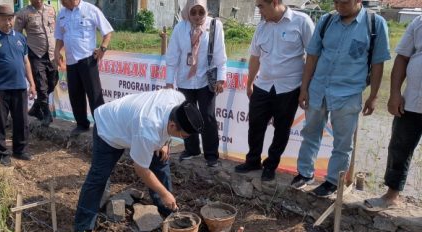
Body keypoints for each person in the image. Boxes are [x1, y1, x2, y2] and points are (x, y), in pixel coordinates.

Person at [72, 89, 203, 232]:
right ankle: (81, 230)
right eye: (183, 136)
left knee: (161, 162)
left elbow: (165, 126)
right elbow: (141, 169)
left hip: (134, 125)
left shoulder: (178, 99)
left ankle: (168, 212)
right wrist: (165, 193)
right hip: (109, 129)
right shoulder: (147, 130)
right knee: (98, 179)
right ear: (172, 125)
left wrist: (165, 143)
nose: (184, 139)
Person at [291, 0, 390, 197]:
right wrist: (304, 88)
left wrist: (373, 97)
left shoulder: (375, 24)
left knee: (343, 142)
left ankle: (332, 181)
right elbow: (312, 56)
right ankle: (304, 173)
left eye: (344, 3)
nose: (338, 6)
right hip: (319, 88)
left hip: (349, 93)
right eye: (336, 2)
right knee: (310, 132)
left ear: (358, 1)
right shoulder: (327, 21)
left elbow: (378, 64)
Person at [234, 0, 314, 181]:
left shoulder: (301, 21)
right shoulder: (261, 27)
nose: (259, 10)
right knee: (255, 125)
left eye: (261, 6)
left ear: (275, 2)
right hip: (263, 85)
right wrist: (250, 82)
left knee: (282, 128)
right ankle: (253, 160)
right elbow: (255, 57)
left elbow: (312, 56)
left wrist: (305, 87)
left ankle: (271, 165)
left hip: (289, 87)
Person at [364, 16, 422, 211]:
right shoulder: (419, 21)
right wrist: (395, 93)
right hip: (413, 101)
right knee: (399, 148)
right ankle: (391, 196)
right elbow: (403, 57)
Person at [165, 0, 226, 167]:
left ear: (206, 11)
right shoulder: (180, 28)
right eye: (194, 12)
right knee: (186, 115)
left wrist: (221, 78)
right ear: (188, 12)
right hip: (185, 79)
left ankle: (211, 154)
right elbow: (172, 58)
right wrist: (169, 82)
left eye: (201, 12)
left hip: (206, 80)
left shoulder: (215, 26)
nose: (198, 16)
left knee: (207, 116)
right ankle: (191, 149)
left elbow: (220, 55)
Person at [0, 4, 37, 166]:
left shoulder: (20, 38)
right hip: (0, 88)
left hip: (20, 86)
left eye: (10, 19)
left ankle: (20, 150)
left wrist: (32, 84)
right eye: (4, 19)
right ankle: (1, 153)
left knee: (22, 120)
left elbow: (26, 62)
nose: (8, 23)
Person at [54, 0, 113, 136]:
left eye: (63, 0)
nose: (62, 3)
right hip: (71, 60)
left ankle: (102, 125)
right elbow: (59, 35)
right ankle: (81, 124)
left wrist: (103, 48)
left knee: (94, 93)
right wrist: (57, 51)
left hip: (87, 58)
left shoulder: (90, 10)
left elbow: (107, 31)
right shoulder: (62, 13)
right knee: (75, 94)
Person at [15, 0, 58, 127]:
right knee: (41, 84)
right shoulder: (24, 13)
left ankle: (35, 107)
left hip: (51, 54)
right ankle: (46, 113)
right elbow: (17, 35)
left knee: (52, 82)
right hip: (35, 54)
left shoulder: (51, 10)